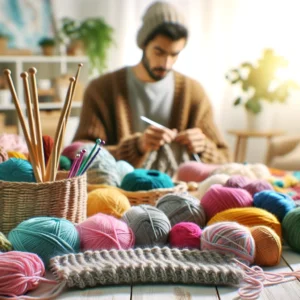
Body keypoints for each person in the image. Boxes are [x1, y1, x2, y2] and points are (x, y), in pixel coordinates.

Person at [73, 1, 231, 174]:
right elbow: (77, 156)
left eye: (174, 54)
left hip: (181, 194)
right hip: (119, 193)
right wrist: (137, 147)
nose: (166, 63)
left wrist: (203, 148)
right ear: (143, 43)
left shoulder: (194, 93)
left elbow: (226, 159)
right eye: (159, 52)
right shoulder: (101, 90)